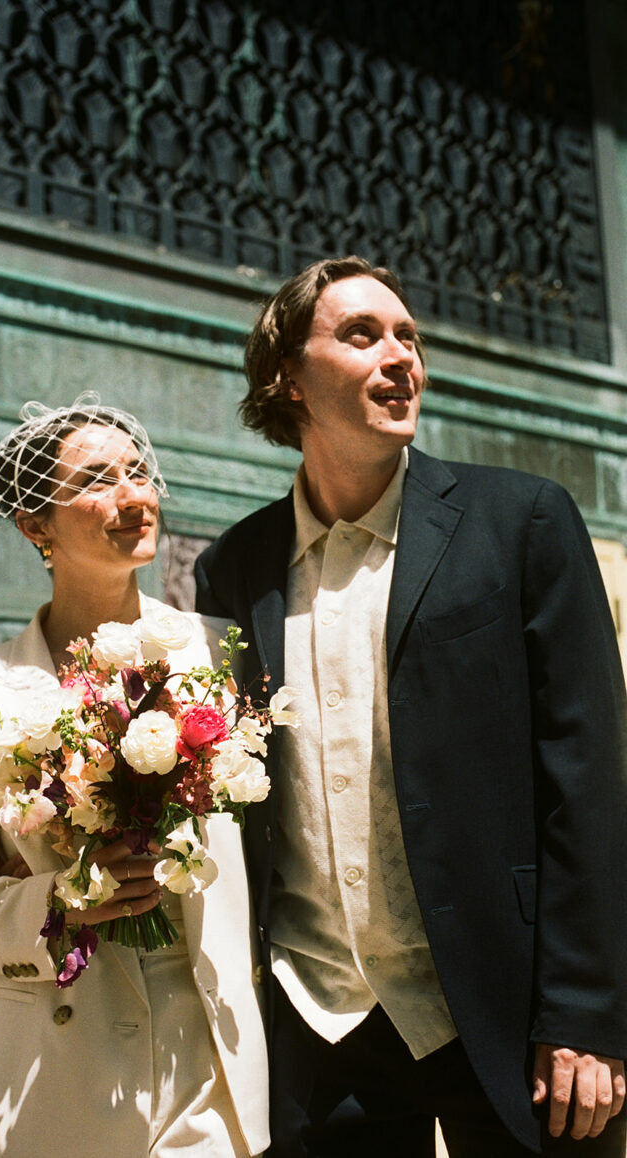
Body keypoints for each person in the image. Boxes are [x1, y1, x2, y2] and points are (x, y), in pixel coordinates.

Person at [194, 256, 627, 1157]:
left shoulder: (523, 521)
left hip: (514, 1013)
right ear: (288, 377)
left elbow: (590, 780)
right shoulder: (233, 568)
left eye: (408, 337)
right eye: (362, 335)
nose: (401, 358)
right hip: (320, 1020)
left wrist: (587, 1011)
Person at [0, 394, 269, 1158]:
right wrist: (61, 900)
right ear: (35, 525)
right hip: (54, 1070)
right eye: (97, 481)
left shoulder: (220, 652)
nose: (133, 496)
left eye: (138, 472)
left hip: (209, 1063)